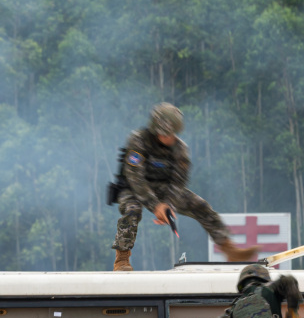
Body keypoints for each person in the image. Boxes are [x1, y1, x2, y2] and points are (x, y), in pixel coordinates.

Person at [109, 102, 258, 271]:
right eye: (164, 134)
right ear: (155, 129)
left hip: (163, 188)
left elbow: (178, 183)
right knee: (132, 210)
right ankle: (122, 258)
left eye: (172, 134)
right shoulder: (138, 141)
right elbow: (135, 177)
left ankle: (229, 248)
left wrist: (168, 206)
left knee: (200, 205)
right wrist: (156, 205)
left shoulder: (180, 149)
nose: (168, 138)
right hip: (132, 187)